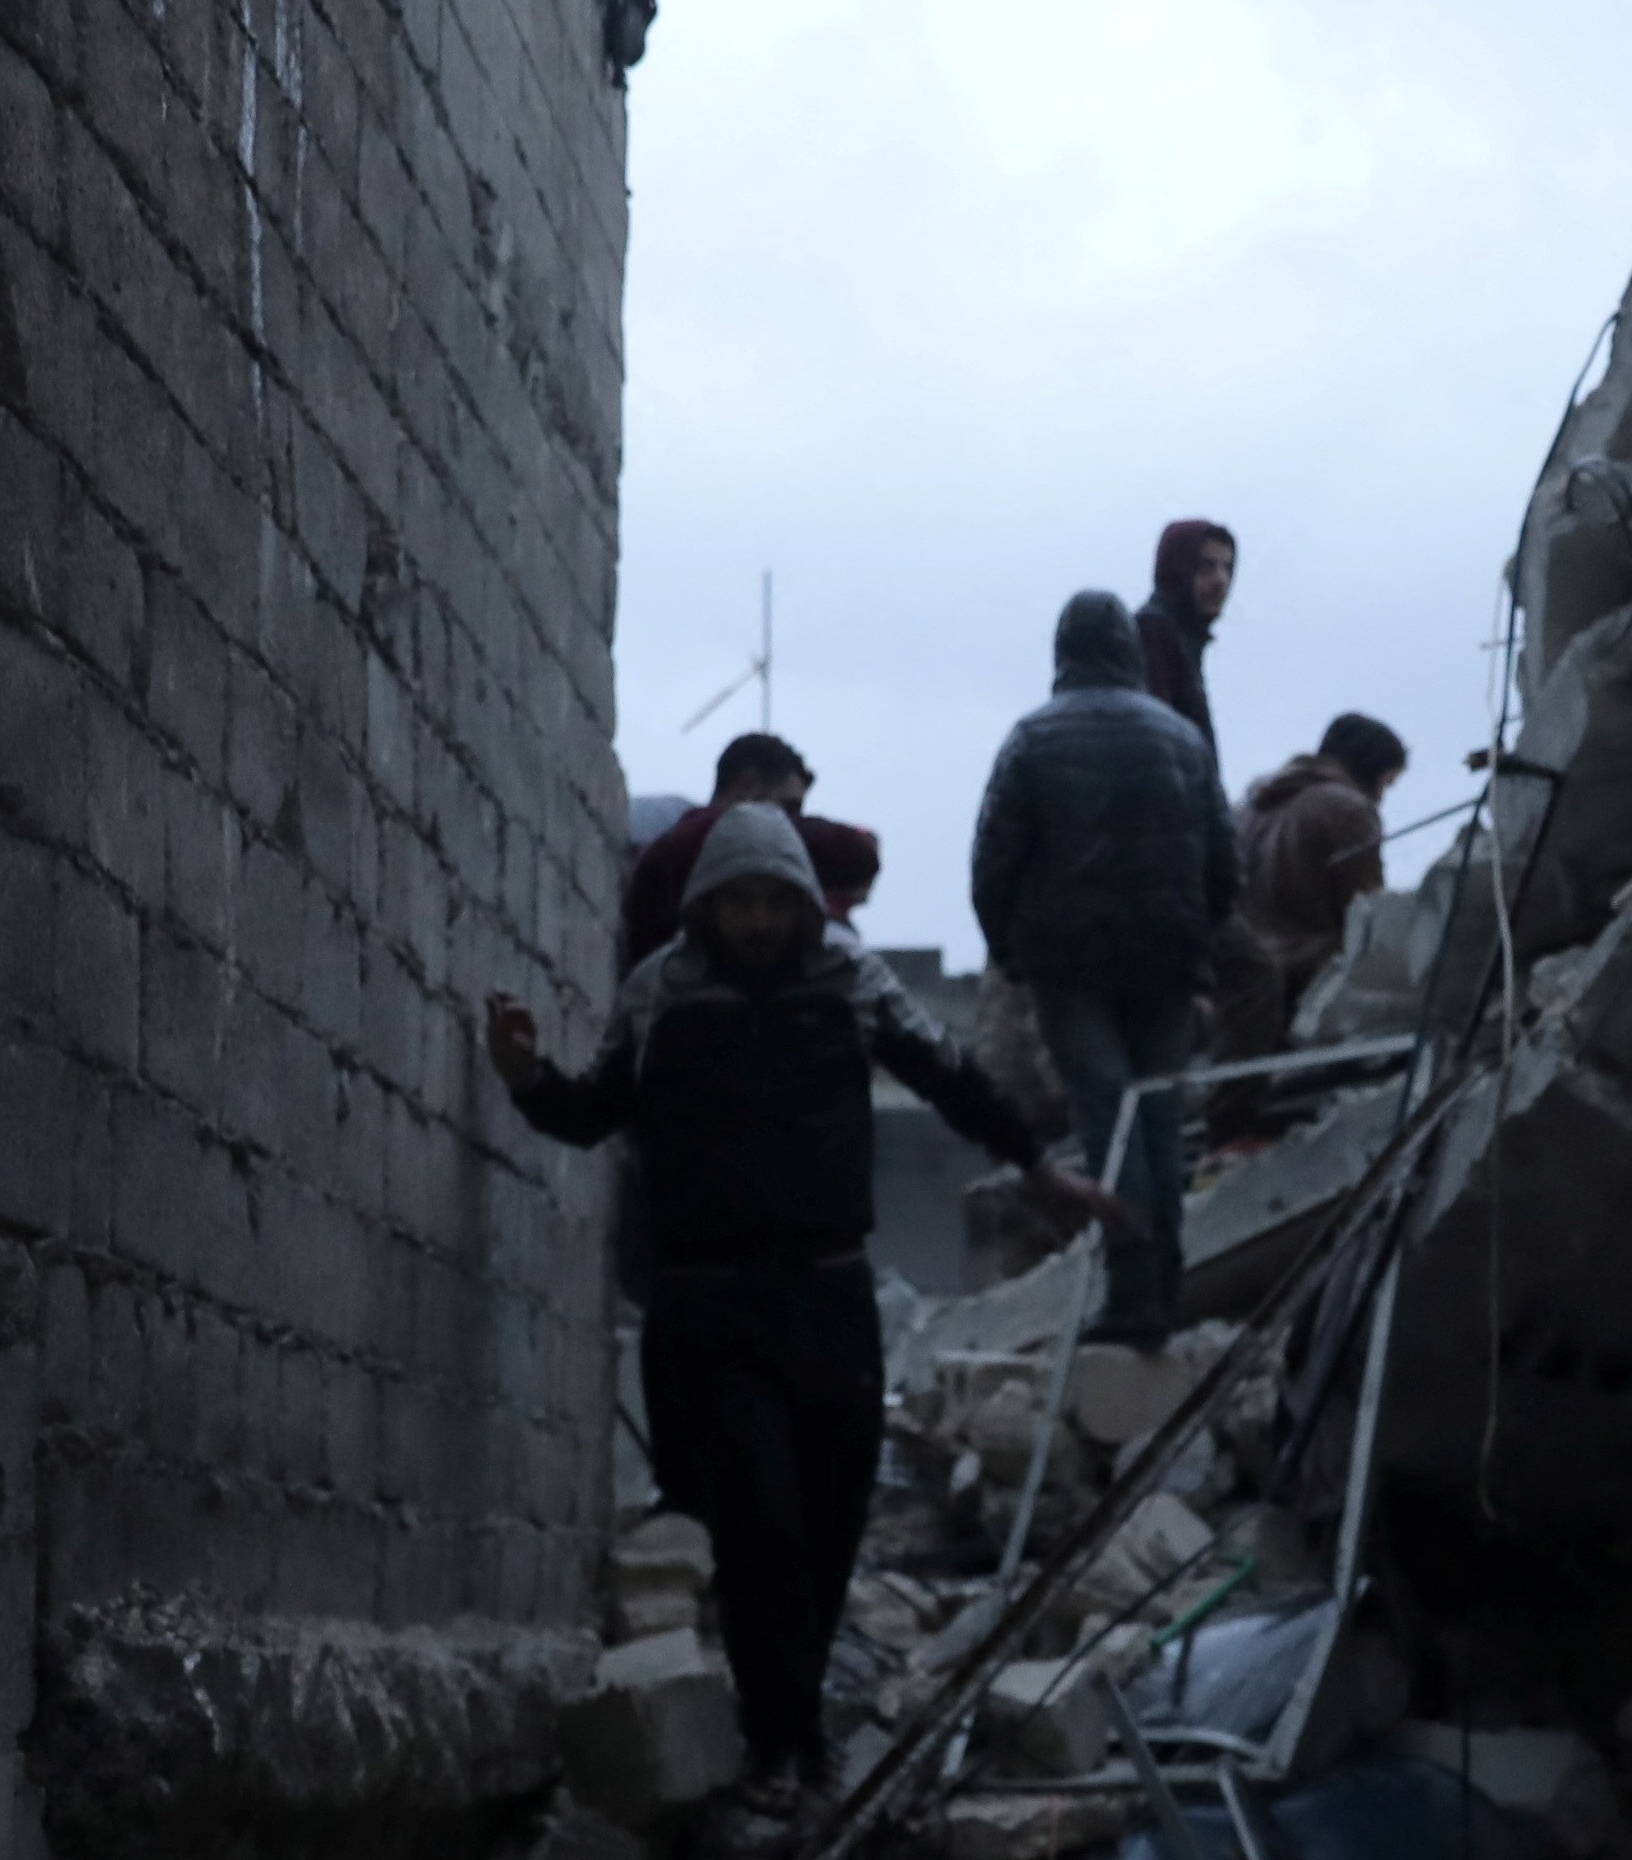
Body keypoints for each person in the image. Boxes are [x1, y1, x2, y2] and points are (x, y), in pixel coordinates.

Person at [490, 804, 1109, 1797]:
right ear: (707, 906)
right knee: (757, 1521)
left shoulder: (850, 983)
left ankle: (793, 1732)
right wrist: (526, 1076)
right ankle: (778, 1741)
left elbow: (951, 1077)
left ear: (802, 904)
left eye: (775, 902)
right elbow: (592, 1110)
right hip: (707, 1304)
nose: (758, 921)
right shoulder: (662, 993)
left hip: (827, 1296)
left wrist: (1038, 1168)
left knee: (827, 1522)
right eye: (738, 901)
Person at [967, 588, 1236, 1347]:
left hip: (1071, 965)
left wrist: (1008, 950)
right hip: (1168, 963)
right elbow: (1225, 861)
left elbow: (993, 860)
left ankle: (1130, 1295)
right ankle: (1167, 1288)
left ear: (1062, 653)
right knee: (1158, 1126)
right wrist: (1201, 944)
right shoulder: (1183, 739)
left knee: (1107, 1123)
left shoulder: (1031, 739)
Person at [617, 731, 885, 975]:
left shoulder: (677, 838)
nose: (791, 823)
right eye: (788, 807)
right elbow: (856, 855)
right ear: (748, 786)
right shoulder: (699, 837)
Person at [1214, 711, 1407, 1041]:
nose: (1383, 797)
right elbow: (1365, 916)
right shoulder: (1347, 809)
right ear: (1373, 770)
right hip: (1303, 977)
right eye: (1387, 782)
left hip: (1235, 978)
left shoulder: (1248, 807)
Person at [1135, 519, 1239, 744]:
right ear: (1177, 567)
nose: (1221, 580)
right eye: (1206, 566)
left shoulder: (1183, 638)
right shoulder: (1153, 634)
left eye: (1227, 568)